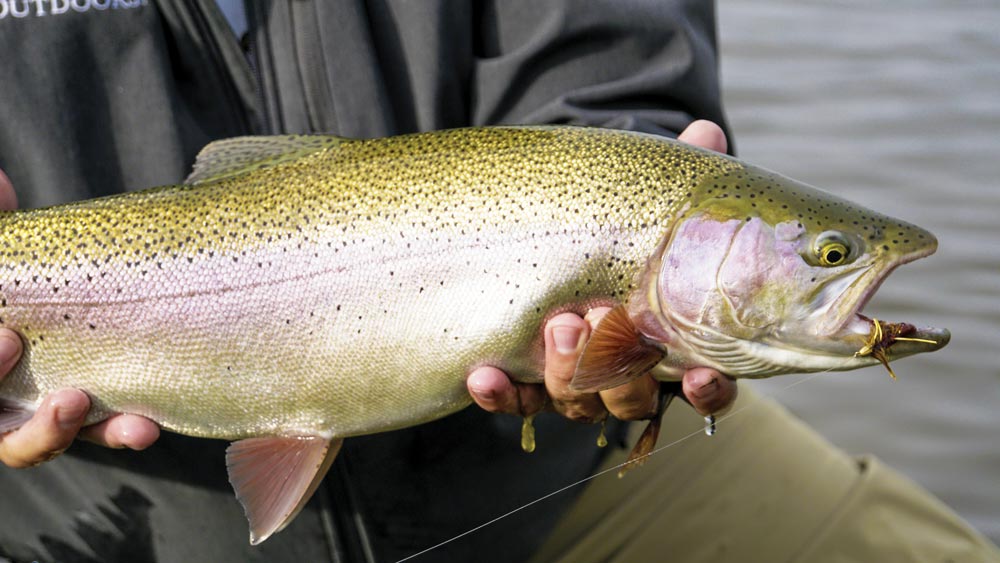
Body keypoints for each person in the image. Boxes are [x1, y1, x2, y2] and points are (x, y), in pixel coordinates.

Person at [0, 2, 996, 562]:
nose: (841, 269)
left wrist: (632, 134)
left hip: (553, 472)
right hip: (110, 515)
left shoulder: (645, 243)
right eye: (829, 255)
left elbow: (613, 59)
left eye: (824, 258)